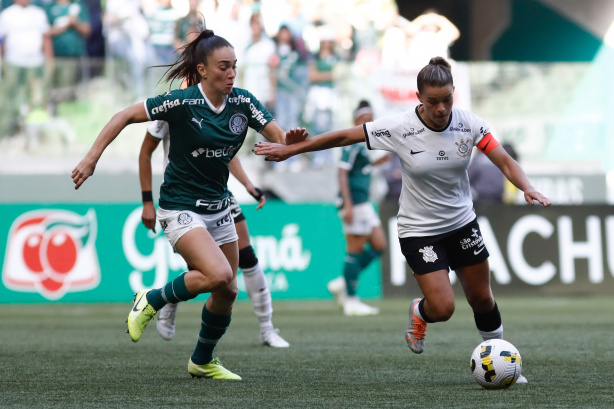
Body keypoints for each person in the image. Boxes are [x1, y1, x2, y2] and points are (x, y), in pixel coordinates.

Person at [254, 57, 551, 384]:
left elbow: (504, 160)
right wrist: (295, 149)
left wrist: (527, 187)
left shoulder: (469, 123)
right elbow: (344, 137)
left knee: (481, 296)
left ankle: (501, 358)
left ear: (454, 93)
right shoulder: (400, 127)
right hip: (420, 231)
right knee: (443, 308)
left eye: (447, 99)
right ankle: (419, 312)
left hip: (462, 222)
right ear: (419, 98)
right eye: (433, 101)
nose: (441, 108)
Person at [72, 27, 304, 380]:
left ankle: (202, 360)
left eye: (234, 66)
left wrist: (291, 142)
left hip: (219, 207)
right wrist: (91, 158)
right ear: (202, 70)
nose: (231, 74)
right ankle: (152, 299)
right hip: (180, 206)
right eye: (223, 67)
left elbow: (278, 138)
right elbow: (122, 116)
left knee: (227, 291)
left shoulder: (244, 102)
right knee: (219, 274)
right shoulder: (180, 102)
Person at [139, 119, 289, 348]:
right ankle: (169, 297)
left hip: (218, 194)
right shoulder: (171, 106)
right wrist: (147, 202)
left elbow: (226, 151)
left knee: (246, 257)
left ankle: (267, 329)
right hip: (183, 198)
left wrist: (248, 185)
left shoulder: (219, 101)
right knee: (206, 272)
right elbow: (145, 150)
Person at [327, 100, 389, 316]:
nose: (368, 122)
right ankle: (351, 300)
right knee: (354, 249)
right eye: (364, 119)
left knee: (379, 245)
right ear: (355, 120)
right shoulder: (351, 143)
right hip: (354, 202)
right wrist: (349, 203)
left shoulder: (364, 145)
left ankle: (343, 283)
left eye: (370, 118)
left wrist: (378, 162)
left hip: (364, 202)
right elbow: (342, 173)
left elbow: (362, 168)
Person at [0, 0, 52, 139]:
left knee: (36, 100)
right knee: (8, 100)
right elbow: (2, 41)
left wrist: (49, 61)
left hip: (35, 63)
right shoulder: (7, 14)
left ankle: (36, 138)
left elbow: (46, 39)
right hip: (13, 63)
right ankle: (4, 134)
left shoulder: (39, 13)